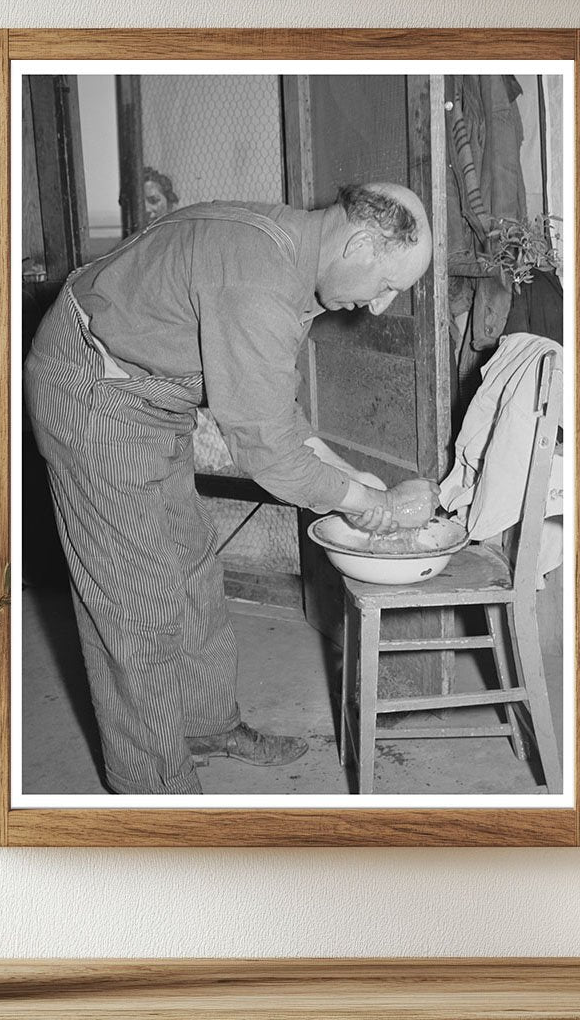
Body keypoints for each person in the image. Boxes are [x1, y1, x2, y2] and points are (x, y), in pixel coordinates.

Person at [24, 182, 439, 795]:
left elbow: (271, 408)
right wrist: (371, 505)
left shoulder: (292, 254)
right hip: (94, 391)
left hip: (148, 395)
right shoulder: (259, 279)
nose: (379, 307)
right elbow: (270, 455)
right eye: (386, 286)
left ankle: (205, 726)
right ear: (358, 244)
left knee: (192, 565)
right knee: (135, 602)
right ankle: (156, 792)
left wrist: (349, 476)